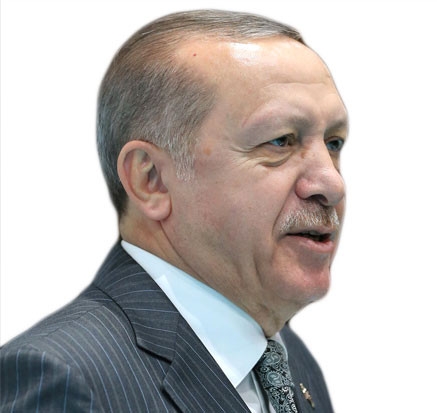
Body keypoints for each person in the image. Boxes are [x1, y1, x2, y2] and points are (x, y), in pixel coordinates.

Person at [0, 9, 347, 412]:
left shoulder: (288, 363)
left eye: (334, 143)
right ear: (151, 180)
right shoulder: (67, 379)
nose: (332, 183)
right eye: (280, 141)